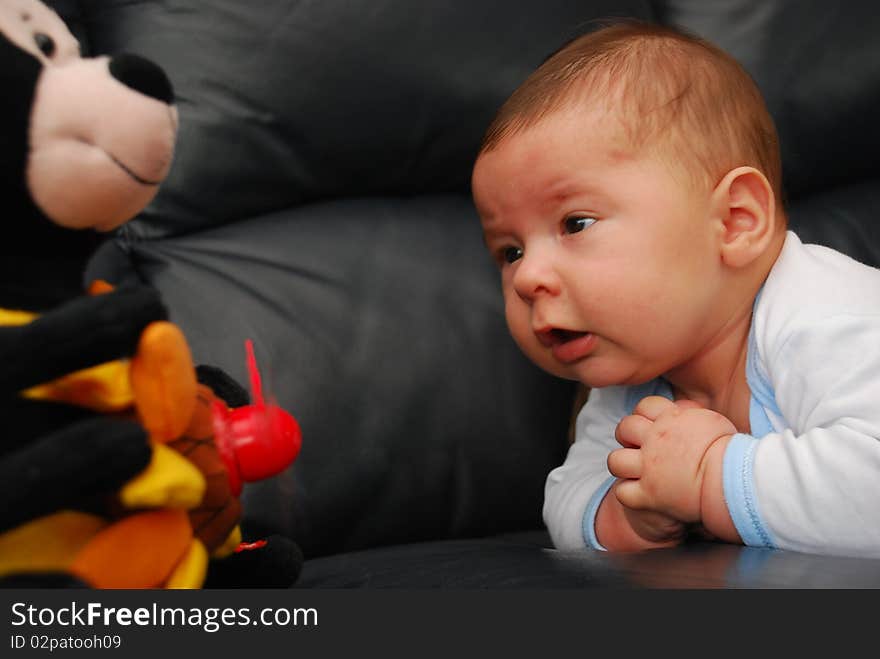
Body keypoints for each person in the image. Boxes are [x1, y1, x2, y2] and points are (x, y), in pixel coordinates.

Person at [470, 21, 880, 558]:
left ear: (735, 221)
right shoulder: (632, 382)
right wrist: (627, 516)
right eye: (510, 252)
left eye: (575, 224)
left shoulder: (826, 315)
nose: (526, 278)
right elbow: (567, 496)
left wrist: (711, 476)